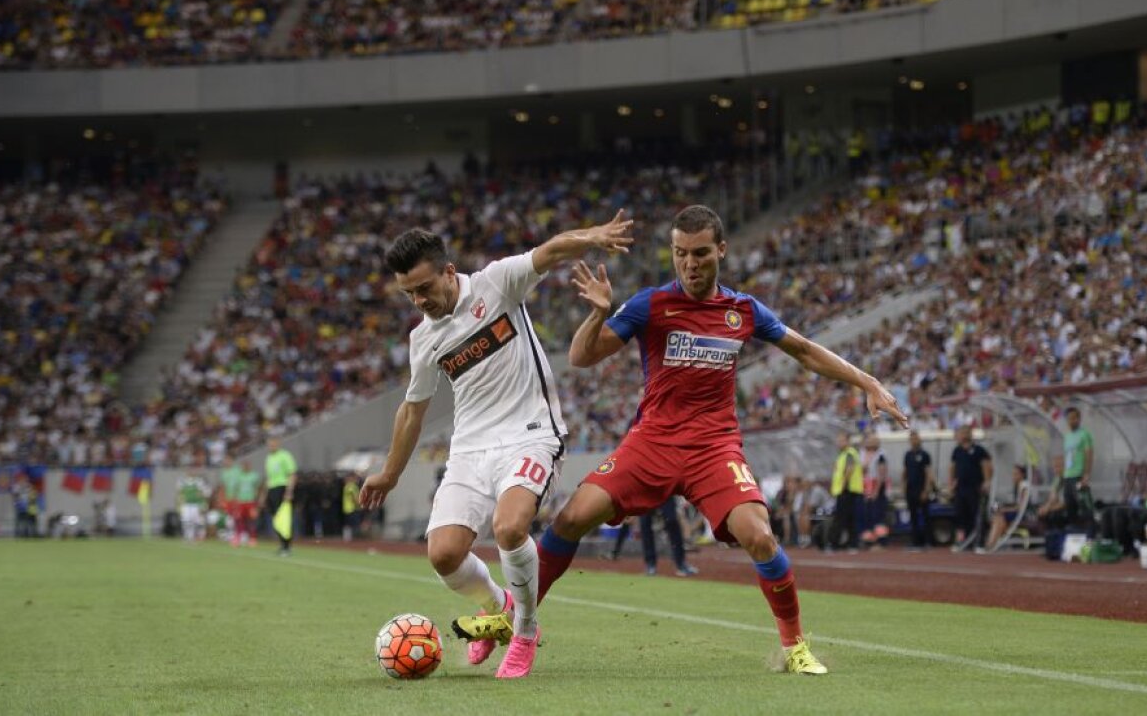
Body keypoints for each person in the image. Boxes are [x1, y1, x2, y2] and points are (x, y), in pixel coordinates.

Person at [459, 205, 908, 676]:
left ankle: (794, 647)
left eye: (698, 253)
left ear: (721, 251)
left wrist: (868, 382)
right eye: (680, 254)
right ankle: (516, 620)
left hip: (714, 448)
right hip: (651, 442)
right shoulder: (650, 304)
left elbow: (804, 350)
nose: (689, 264)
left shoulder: (743, 310)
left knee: (760, 536)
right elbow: (581, 357)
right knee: (572, 518)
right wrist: (597, 315)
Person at [360, 212, 634, 679]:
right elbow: (413, 409)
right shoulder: (423, 339)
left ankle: (525, 630)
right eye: (409, 293)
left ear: (449, 271)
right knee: (443, 554)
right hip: (469, 448)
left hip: (530, 434)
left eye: (424, 287)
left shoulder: (496, 283)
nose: (419, 300)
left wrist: (593, 236)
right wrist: (390, 471)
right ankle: (498, 608)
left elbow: (549, 251)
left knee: (509, 528)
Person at [948, 425, 992, 550]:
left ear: (971, 434)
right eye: (962, 432)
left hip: (975, 488)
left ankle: (979, 543)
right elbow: (952, 468)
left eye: (967, 432)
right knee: (961, 516)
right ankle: (962, 542)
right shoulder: (957, 450)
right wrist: (951, 483)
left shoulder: (979, 450)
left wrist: (987, 481)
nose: (964, 435)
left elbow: (986, 466)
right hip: (961, 488)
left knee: (977, 516)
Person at [982, 465, 1031, 551]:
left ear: (1022, 475)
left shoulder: (1024, 486)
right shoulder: (1017, 486)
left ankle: (991, 544)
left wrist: (1005, 510)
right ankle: (993, 542)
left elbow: (1021, 507)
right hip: (1017, 512)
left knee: (999, 516)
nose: (1014, 476)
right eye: (1013, 474)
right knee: (998, 517)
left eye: (1016, 474)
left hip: (1024, 514)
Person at [828, 431, 862, 553]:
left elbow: (849, 470)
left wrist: (842, 487)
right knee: (848, 518)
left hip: (847, 490)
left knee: (841, 518)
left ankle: (835, 544)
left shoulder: (849, 453)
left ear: (848, 441)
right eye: (839, 440)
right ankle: (852, 544)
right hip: (845, 490)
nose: (839, 442)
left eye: (842, 440)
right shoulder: (843, 454)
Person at [1060, 407, 1094, 531]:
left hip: (1078, 475)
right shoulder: (1067, 436)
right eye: (1069, 419)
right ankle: (1075, 534)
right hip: (1068, 475)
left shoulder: (1084, 435)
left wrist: (1086, 474)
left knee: (1085, 507)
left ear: (1079, 419)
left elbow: (1089, 454)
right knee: (1070, 507)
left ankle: (1090, 536)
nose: (1071, 421)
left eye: (1074, 418)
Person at [263, 438, 298, 556]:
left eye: (273, 444)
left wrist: (289, 491)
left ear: (278, 444)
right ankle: (283, 544)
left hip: (282, 488)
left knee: (284, 518)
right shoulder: (269, 458)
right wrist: (264, 494)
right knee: (275, 519)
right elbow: (268, 477)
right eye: (269, 444)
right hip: (272, 489)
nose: (271, 446)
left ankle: (287, 546)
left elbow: (292, 474)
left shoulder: (285, 455)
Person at [901, 431, 934, 550]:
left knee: (925, 516)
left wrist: (926, 490)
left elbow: (928, 473)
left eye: (916, 438)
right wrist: (903, 487)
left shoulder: (925, 455)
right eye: (912, 439)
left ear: (919, 440)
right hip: (911, 489)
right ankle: (915, 541)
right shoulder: (907, 455)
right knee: (913, 516)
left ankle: (928, 541)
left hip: (921, 489)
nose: (914, 441)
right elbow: (904, 472)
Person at [860, 433, 890, 549]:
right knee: (867, 516)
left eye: (872, 440)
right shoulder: (863, 454)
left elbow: (882, 474)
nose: (868, 442)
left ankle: (881, 542)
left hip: (877, 489)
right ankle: (869, 541)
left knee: (878, 516)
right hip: (866, 488)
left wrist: (876, 491)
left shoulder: (881, 455)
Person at [341, 472, 360, 543]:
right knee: (352, 525)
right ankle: (351, 540)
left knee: (347, 524)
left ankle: (347, 538)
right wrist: (359, 504)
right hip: (351, 508)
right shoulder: (352, 486)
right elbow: (354, 498)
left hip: (346, 508)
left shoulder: (346, 486)